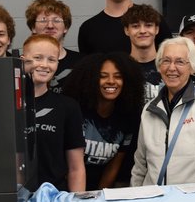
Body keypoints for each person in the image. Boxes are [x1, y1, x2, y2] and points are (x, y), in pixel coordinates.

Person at [131, 37, 195, 186]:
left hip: (191, 201)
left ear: (192, 68)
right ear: (159, 67)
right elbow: (140, 163)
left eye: (180, 62)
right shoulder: (149, 109)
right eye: (166, 61)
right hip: (154, 201)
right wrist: (137, 198)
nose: (172, 68)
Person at [62, 52, 145, 191]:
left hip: (99, 190)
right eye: (103, 76)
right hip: (67, 189)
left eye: (118, 76)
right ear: (90, 80)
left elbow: (113, 166)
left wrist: (99, 198)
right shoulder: (74, 111)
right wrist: (78, 198)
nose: (111, 81)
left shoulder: (129, 116)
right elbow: (63, 163)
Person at [21, 34, 86, 192]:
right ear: (22, 61)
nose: (45, 65)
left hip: (54, 199)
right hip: (11, 201)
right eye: (38, 58)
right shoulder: (6, 104)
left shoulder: (67, 107)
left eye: (52, 59)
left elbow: (76, 168)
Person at [25, 0, 85, 91]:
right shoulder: (21, 64)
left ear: (66, 27)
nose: (50, 26)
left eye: (56, 20)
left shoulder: (83, 62)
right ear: (33, 27)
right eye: (43, 20)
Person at [122, 3, 164, 102]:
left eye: (148, 25)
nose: (142, 31)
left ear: (156, 29)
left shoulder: (170, 66)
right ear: (127, 30)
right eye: (136, 26)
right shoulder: (120, 68)